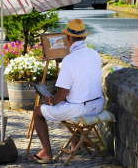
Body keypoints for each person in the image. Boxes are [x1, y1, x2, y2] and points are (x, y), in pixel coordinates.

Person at [31, 18, 104, 164]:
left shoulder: (69, 60)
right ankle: (75, 143)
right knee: (73, 102)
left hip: (81, 109)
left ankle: (46, 153)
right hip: (98, 105)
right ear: (84, 37)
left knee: (38, 112)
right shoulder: (95, 54)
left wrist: (50, 101)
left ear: (68, 38)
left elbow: (64, 92)